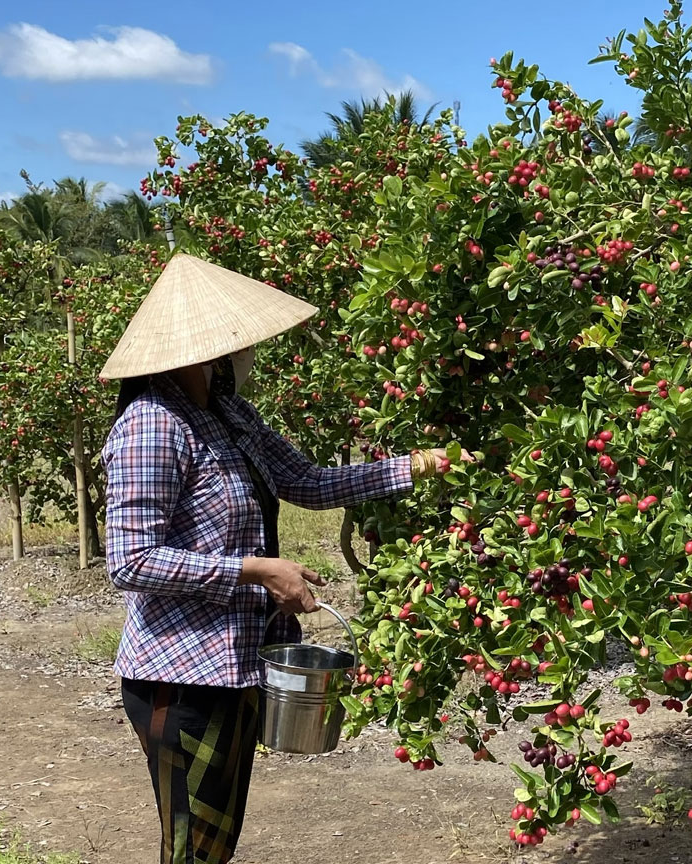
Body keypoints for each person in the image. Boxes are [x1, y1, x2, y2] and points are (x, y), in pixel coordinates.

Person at [100, 254, 467, 864]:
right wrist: (257, 570)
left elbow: (306, 481)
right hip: (183, 678)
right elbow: (131, 561)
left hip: (238, 665)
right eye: (237, 342)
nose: (245, 352)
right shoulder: (152, 426)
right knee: (195, 847)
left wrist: (414, 466)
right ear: (204, 348)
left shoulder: (229, 413)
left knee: (214, 843)